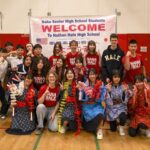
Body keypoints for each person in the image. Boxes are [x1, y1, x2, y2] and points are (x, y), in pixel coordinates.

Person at [79, 68, 106, 139]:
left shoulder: (101, 84)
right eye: (90, 74)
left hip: (97, 105)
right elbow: (81, 99)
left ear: (96, 75)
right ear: (88, 76)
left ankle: (99, 129)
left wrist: (97, 98)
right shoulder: (84, 84)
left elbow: (102, 97)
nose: (92, 76)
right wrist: (81, 91)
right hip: (87, 106)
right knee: (89, 127)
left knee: (100, 114)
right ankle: (91, 126)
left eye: (93, 74)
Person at [105, 70, 132, 136]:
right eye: (115, 77)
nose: (117, 79)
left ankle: (121, 126)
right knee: (113, 130)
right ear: (112, 77)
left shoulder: (123, 86)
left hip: (121, 108)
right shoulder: (108, 86)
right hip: (111, 109)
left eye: (118, 77)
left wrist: (123, 92)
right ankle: (115, 121)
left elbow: (125, 101)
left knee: (123, 117)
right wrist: (109, 91)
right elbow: (108, 102)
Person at [58, 69, 81, 134]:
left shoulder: (77, 84)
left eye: (71, 73)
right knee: (65, 116)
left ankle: (69, 125)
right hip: (66, 106)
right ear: (66, 75)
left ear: (74, 75)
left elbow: (79, 99)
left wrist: (78, 90)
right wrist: (62, 91)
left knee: (74, 127)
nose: (70, 74)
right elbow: (60, 100)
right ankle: (65, 126)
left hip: (74, 106)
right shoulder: (64, 84)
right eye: (68, 73)